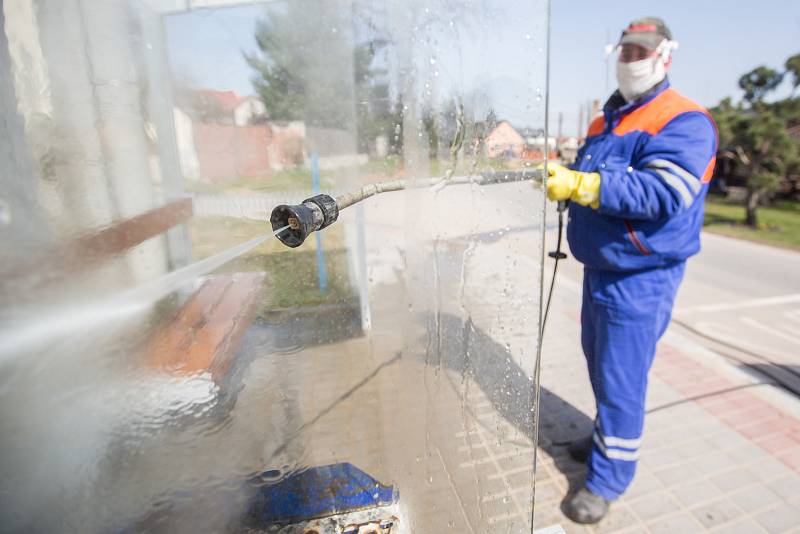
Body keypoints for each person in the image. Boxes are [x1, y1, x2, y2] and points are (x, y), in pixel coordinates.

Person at [543, 17, 718, 524]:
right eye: (624, 51)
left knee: (621, 380)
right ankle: (604, 442)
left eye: (641, 51)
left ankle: (606, 480)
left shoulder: (685, 119)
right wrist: (570, 179)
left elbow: (667, 193)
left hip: (642, 276)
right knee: (600, 365)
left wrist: (581, 187)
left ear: (665, 56)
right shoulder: (606, 120)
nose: (630, 60)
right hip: (602, 267)